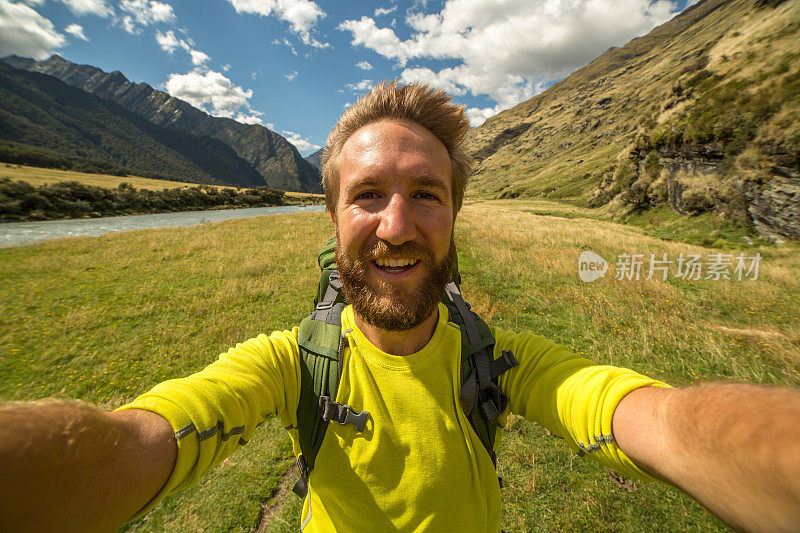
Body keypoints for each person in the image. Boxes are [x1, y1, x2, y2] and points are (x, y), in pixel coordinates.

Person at [1, 81, 799, 533]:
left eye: (426, 193)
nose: (396, 224)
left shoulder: (502, 358)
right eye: (369, 196)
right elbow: (135, 443)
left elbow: (647, 419)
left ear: (454, 214)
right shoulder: (288, 365)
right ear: (332, 215)